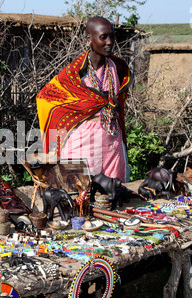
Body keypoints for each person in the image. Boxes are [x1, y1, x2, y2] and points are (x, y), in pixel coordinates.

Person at [36, 16, 133, 182]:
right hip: (83, 142)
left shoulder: (117, 68)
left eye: (112, 36)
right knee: (82, 193)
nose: (110, 42)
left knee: (114, 193)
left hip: (112, 141)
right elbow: (45, 97)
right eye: (103, 37)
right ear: (89, 38)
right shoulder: (74, 74)